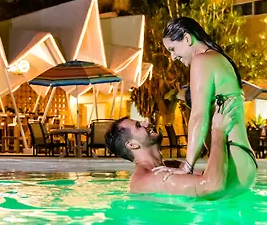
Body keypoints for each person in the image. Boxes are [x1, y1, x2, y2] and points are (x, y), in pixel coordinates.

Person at [161, 17, 257, 192]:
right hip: (242, 159)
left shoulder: (202, 60)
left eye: (172, 49)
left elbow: (198, 116)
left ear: (187, 38)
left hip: (233, 160)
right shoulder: (219, 59)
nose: (173, 57)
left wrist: (187, 166)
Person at [105, 98, 242, 198]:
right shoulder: (149, 179)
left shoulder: (169, 166)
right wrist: (218, 131)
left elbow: (221, 175)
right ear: (132, 145)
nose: (146, 122)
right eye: (139, 126)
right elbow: (212, 186)